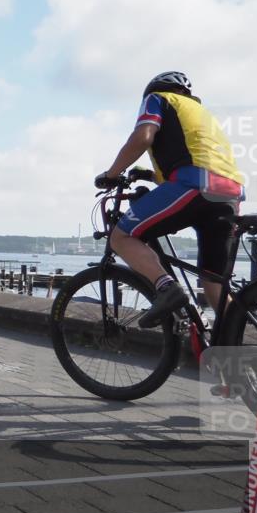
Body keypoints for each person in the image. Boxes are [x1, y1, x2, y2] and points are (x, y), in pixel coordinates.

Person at [96, 71, 244, 328]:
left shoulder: (158, 98)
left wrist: (111, 175)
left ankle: (167, 288)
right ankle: (241, 350)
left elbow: (143, 138)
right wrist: (151, 175)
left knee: (120, 237)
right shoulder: (203, 116)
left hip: (194, 186)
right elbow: (196, 161)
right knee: (213, 283)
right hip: (229, 194)